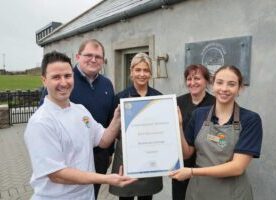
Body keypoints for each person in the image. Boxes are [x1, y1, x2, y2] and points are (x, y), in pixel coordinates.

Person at [25, 51, 135, 200]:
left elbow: (102, 140)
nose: (63, 82)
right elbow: (57, 174)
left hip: (86, 196)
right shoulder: (41, 122)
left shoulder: (80, 111)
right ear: (44, 80)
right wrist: (106, 178)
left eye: (67, 76)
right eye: (56, 77)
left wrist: (117, 119)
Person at [170, 65, 263, 200]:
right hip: (198, 192)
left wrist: (191, 171)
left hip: (233, 193)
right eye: (219, 82)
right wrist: (178, 126)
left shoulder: (250, 119)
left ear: (240, 88)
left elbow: (237, 167)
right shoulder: (199, 115)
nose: (224, 89)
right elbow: (186, 154)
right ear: (213, 85)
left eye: (231, 84)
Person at [39, 39, 115, 198]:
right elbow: (45, 121)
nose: (93, 60)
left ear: (103, 61)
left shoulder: (107, 84)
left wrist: (109, 152)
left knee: (91, 193)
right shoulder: (65, 82)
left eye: (98, 57)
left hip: (99, 153)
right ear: (78, 56)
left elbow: (109, 120)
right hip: (69, 158)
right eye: (88, 55)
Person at [109, 52, 163, 200]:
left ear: (150, 73)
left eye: (146, 70)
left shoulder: (158, 97)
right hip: (127, 154)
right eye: (138, 70)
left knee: (146, 196)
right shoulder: (120, 97)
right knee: (125, 195)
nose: (142, 74)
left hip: (149, 153)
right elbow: (113, 127)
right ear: (131, 72)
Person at [172, 64, 215, 200]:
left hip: (207, 162)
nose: (192, 82)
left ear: (207, 81)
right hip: (182, 161)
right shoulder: (177, 102)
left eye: (197, 78)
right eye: (189, 79)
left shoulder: (215, 103)